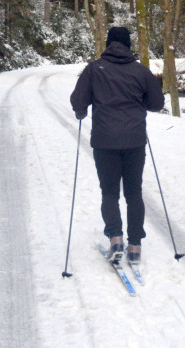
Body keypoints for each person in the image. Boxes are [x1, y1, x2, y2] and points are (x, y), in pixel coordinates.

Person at [70, 26, 165, 268]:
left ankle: (116, 239)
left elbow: (78, 99)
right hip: (134, 141)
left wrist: (81, 111)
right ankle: (135, 246)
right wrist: (139, 103)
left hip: (105, 142)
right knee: (134, 192)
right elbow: (156, 103)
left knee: (109, 192)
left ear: (108, 43)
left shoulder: (94, 70)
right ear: (128, 45)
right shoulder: (141, 71)